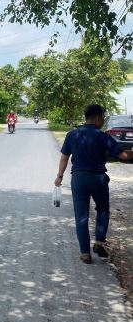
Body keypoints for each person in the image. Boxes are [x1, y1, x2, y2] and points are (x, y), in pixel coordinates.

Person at [55, 104, 133, 264]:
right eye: (103, 117)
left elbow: (64, 158)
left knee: (81, 216)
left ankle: (85, 254)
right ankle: (99, 242)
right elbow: (124, 156)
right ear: (97, 118)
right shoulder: (102, 136)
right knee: (103, 210)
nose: (103, 120)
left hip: (78, 179)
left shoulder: (72, 134)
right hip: (98, 179)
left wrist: (59, 176)